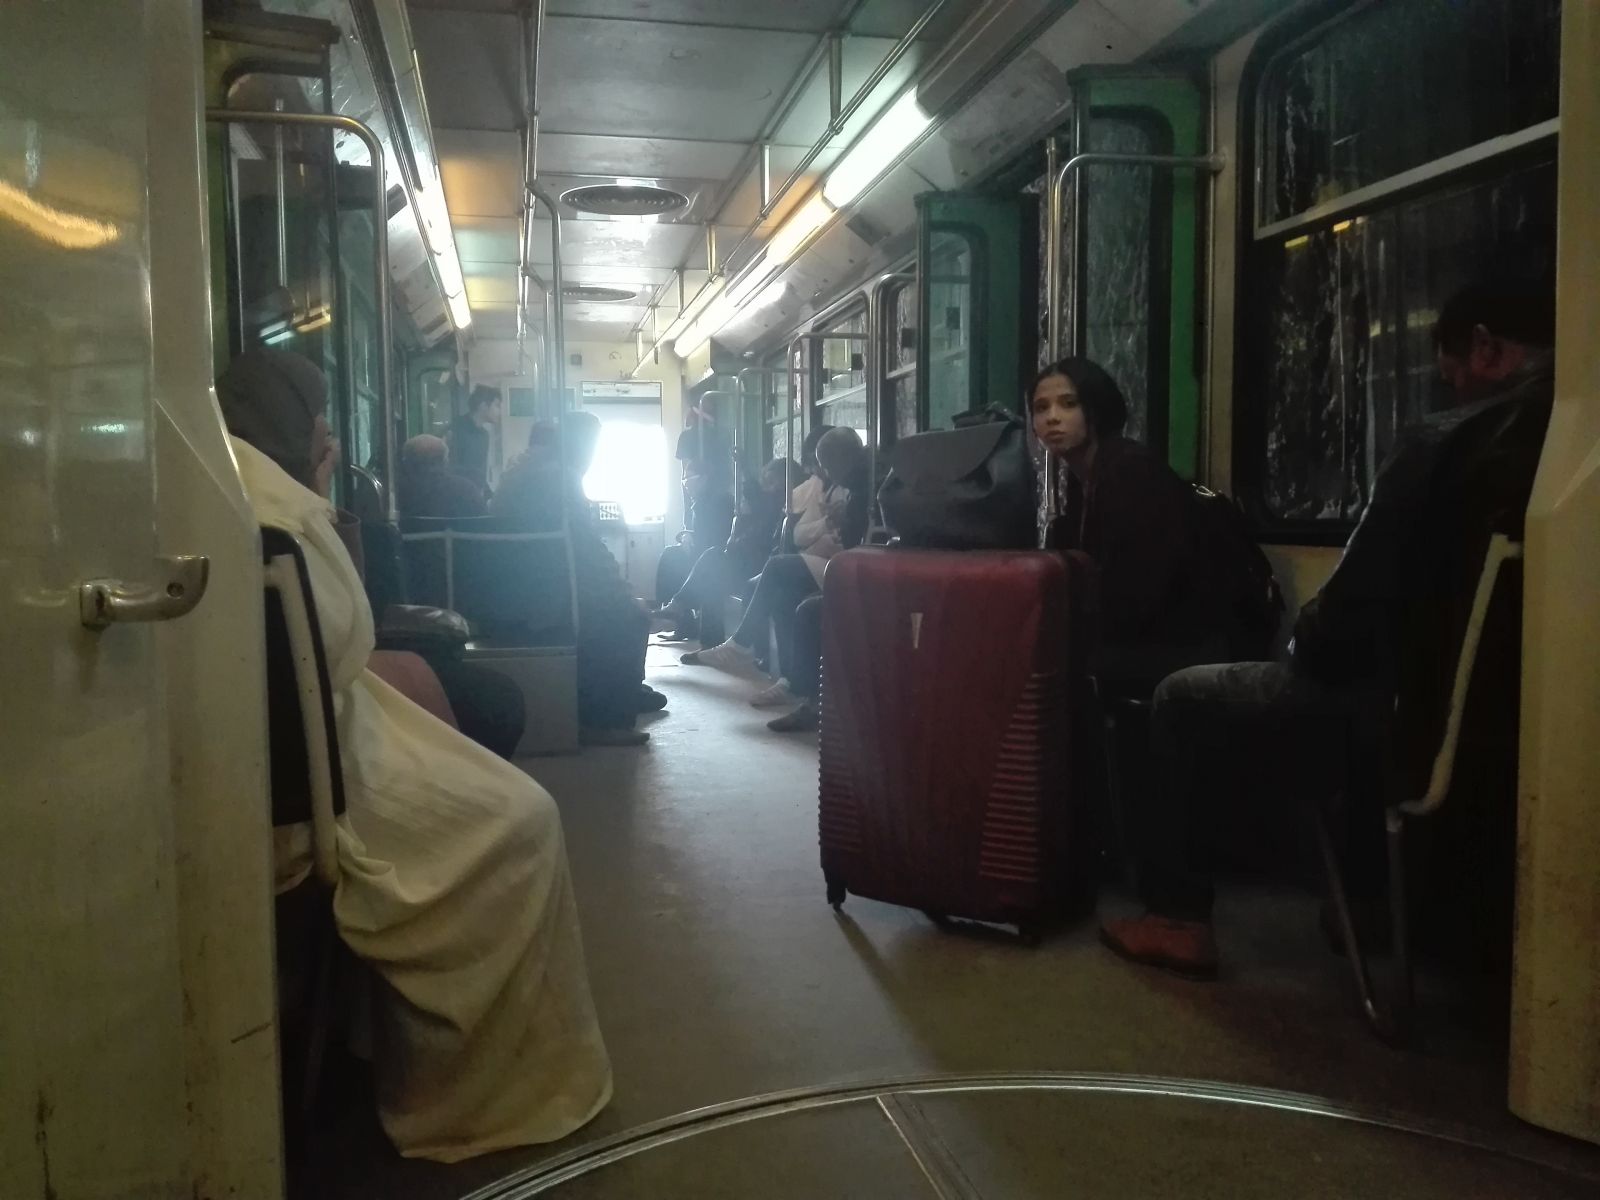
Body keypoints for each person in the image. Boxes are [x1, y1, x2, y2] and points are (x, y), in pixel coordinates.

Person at [214, 348, 612, 1161]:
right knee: (523, 818)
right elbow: (343, 633)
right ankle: (478, 1087)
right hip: (332, 773)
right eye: (320, 424)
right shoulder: (283, 514)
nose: (330, 439)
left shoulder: (228, 491)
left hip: (305, 745)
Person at [1099, 279, 1556, 978]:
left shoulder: (1440, 443)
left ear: (1486, 348)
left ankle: (1178, 917)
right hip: (1499, 721)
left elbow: (1344, 620)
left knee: (1180, 695)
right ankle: (1367, 903)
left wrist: (1300, 638)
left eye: (1452, 374)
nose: (1453, 392)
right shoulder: (1563, 441)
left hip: (1399, 718)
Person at [1031, 357, 1232, 696]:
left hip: (1183, 642)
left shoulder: (1130, 471)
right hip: (1149, 638)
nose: (1052, 417)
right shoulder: (1083, 481)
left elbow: (1139, 593)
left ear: (1096, 409)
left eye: (1068, 404)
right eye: (1041, 408)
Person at [494, 410, 663, 745]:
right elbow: (587, 553)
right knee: (630, 617)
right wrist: (625, 593)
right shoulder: (562, 480)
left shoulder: (521, 472)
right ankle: (607, 718)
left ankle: (624, 693)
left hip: (516, 586)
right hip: (550, 594)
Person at [683, 428, 869, 702]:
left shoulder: (863, 488)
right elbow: (802, 534)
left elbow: (848, 539)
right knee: (783, 596)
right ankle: (790, 681)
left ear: (842, 459)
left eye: (828, 466)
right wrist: (831, 524)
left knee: (777, 567)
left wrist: (837, 523)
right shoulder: (846, 488)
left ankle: (741, 644)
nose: (826, 473)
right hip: (835, 560)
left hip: (851, 565)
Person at [655, 457, 796, 645]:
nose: (767, 488)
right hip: (741, 558)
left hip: (756, 563)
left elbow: (746, 536)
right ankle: (683, 616)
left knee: (711, 563)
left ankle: (680, 611)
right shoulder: (764, 509)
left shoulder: (777, 508)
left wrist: (736, 542)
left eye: (771, 482)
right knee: (700, 561)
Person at [399, 433, 489, 519]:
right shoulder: (466, 490)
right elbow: (485, 525)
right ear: (445, 462)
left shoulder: (397, 494)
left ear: (407, 464)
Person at [449, 384, 502, 496]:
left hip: (474, 494)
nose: (499, 412)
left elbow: (480, 473)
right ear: (483, 406)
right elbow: (451, 468)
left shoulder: (484, 435)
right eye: (497, 406)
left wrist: (488, 494)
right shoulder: (456, 430)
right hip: (457, 494)